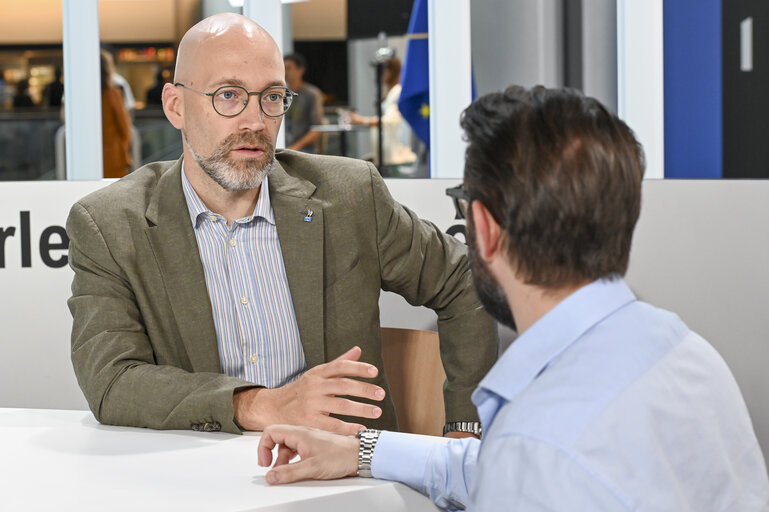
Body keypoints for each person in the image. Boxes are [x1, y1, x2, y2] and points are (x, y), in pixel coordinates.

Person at [257, 86, 769, 510]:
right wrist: (362, 450)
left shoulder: (538, 450)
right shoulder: (684, 353)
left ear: (482, 226)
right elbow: (503, 464)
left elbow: (531, 462)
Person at [66, 14, 497, 438]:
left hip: (343, 479)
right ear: (175, 105)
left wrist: (464, 430)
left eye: (271, 97)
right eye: (229, 96)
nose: (255, 121)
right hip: (201, 483)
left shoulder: (349, 196)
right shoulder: (111, 225)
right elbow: (112, 379)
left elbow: (465, 278)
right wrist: (263, 404)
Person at [349, 57, 416, 167]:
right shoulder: (389, 92)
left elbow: (388, 121)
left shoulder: (397, 92)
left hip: (397, 157)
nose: (379, 75)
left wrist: (362, 120)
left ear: (391, 72)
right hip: (387, 155)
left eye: (383, 70)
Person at [100, 49, 132, 178]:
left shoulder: (80, 95)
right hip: (112, 157)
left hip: (84, 157)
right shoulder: (113, 93)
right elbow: (124, 128)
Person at [283, 53, 323, 153]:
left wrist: (295, 147)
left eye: (288, 68)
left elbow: (317, 128)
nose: (285, 72)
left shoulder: (312, 94)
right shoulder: (281, 93)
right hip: (284, 148)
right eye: (283, 68)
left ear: (300, 70)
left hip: (306, 151)